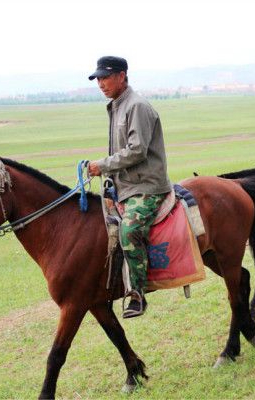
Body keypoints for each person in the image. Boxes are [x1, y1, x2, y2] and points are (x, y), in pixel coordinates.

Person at [87, 56, 172, 318]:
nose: (101, 83)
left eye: (105, 77)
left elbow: (136, 151)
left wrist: (103, 165)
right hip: (125, 185)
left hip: (146, 187)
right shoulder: (116, 106)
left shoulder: (137, 107)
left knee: (130, 229)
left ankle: (137, 293)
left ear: (122, 76)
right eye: (98, 79)